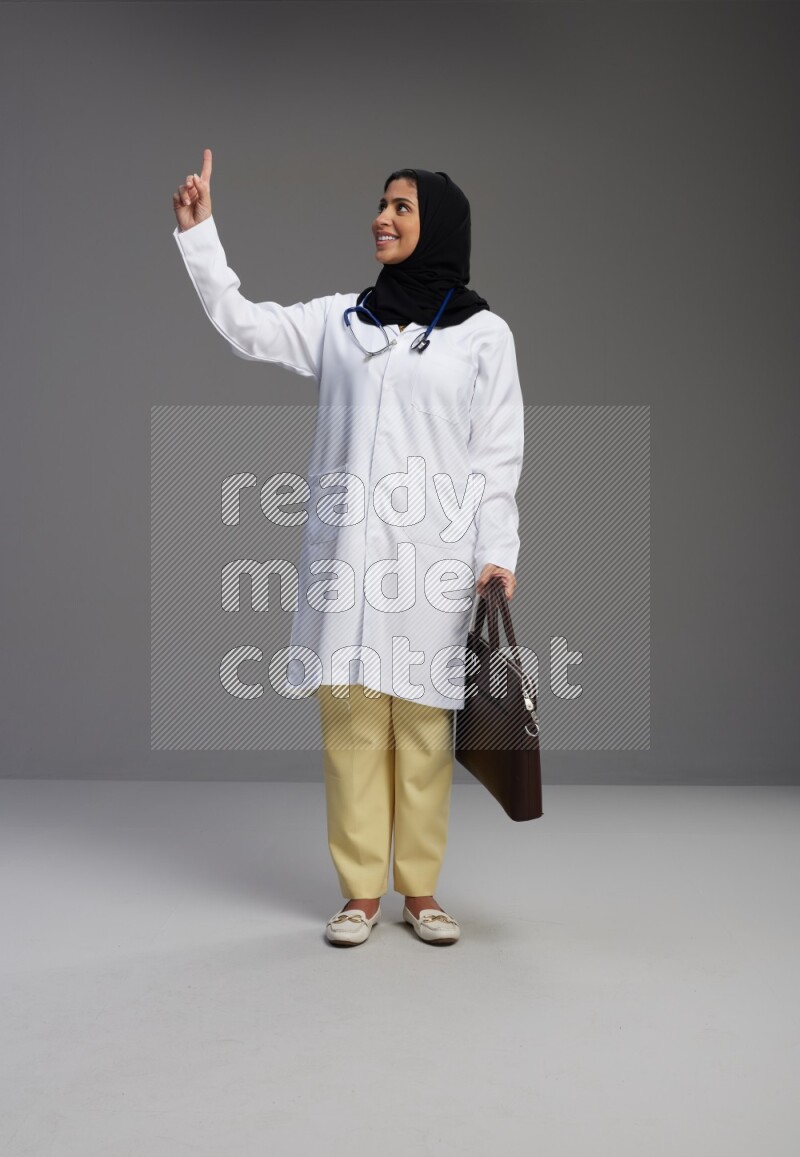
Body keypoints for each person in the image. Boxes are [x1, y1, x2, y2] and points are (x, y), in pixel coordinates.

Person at [172, 149, 524, 947]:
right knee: (354, 725)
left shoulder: (482, 336)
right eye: (382, 204)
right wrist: (200, 236)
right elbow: (247, 326)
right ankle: (360, 892)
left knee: (425, 731)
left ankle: (423, 892)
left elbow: (498, 452)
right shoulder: (342, 322)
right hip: (348, 561)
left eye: (402, 207)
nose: (384, 217)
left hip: (435, 557)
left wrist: (495, 551)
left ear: (436, 225)